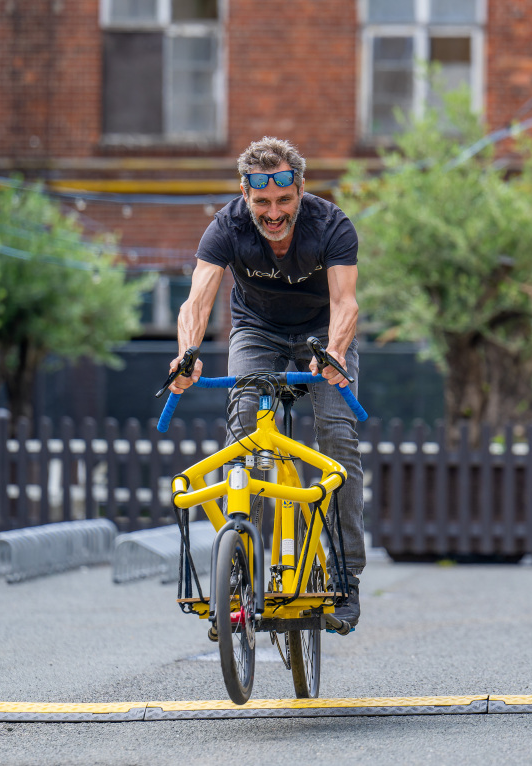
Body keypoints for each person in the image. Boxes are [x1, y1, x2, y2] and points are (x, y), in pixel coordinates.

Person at [167, 136, 366, 628]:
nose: (273, 213)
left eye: (283, 200)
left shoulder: (331, 224)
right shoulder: (226, 227)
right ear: (245, 193)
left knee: (337, 437)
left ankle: (346, 575)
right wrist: (187, 355)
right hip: (258, 329)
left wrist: (336, 353)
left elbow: (346, 303)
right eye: (261, 202)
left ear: (300, 189)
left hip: (323, 333)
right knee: (244, 434)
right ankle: (242, 571)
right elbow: (197, 300)